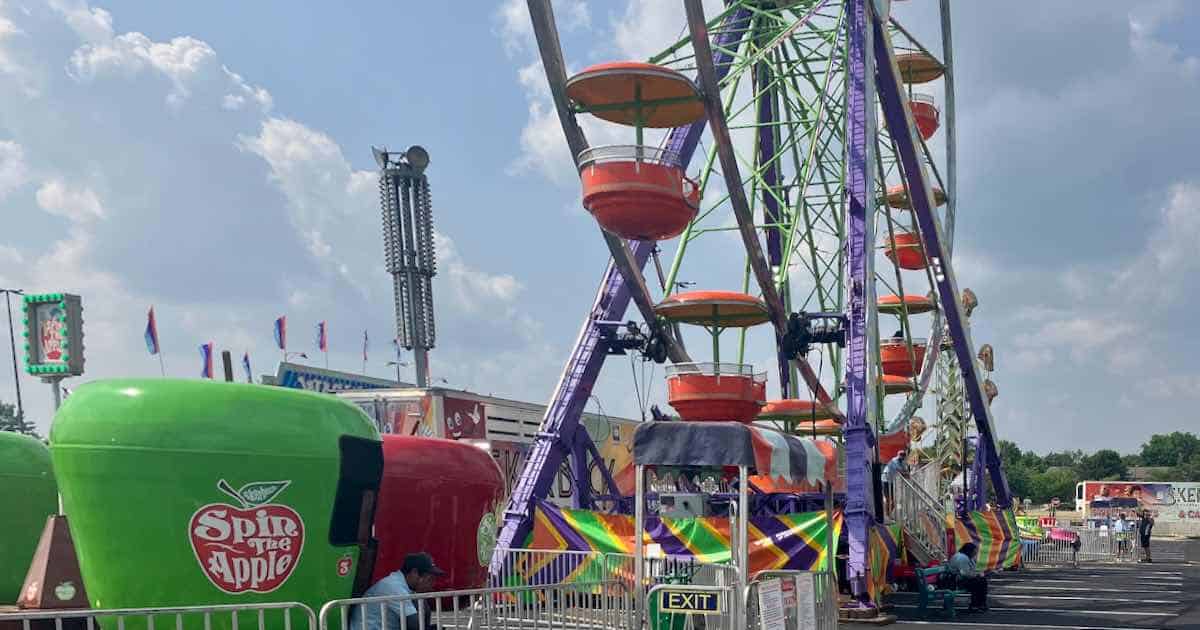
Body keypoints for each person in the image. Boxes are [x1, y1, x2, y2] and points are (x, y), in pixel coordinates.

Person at [349, 552, 444, 630]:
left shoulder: (405, 586)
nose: (432, 584)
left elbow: (423, 615)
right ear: (414, 573)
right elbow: (415, 625)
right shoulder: (394, 587)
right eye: (429, 579)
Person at [948, 542, 988, 612]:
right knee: (979, 583)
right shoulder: (962, 558)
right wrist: (977, 575)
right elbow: (965, 573)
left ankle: (978, 604)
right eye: (974, 552)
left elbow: (972, 570)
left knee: (981, 581)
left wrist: (979, 573)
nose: (975, 553)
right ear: (969, 551)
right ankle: (977, 605)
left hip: (961, 579)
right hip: (956, 581)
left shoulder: (968, 557)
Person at [882, 449, 909, 515]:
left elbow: (905, 470)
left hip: (891, 481)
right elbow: (900, 471)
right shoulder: (894, 460)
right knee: (888, 500)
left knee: (893, 502)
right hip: (885, 480)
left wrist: (907, 474)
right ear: (898, 455)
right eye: (901, 455)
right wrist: (906, 475)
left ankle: (889, 515)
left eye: (903, 456)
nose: (902, 457)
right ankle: (887, 515)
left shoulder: (902, 461)